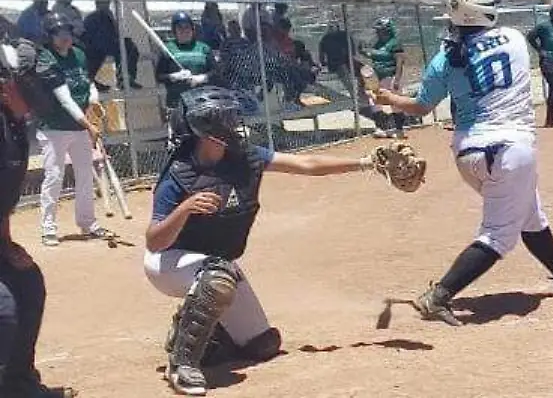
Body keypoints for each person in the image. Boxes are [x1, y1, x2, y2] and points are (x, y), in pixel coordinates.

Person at [370, 0, 553, 327]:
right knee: (498, 235)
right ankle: (438, 296)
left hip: (468, 153)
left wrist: (389, 100)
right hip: (509, 149)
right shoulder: (514, 39)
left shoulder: (444, 57)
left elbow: (420, 107)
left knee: (529, 212)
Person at [144, 85, 384, 396]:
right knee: (217, 279)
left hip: (216, 266)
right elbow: (154, 242)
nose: (233, 126)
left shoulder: (244, 156)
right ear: (207, 129)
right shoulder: (179, 173)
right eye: (225, 120)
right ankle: (183, 365)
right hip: (169, 263)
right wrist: (184, 210)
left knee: (262, 344)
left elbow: (305, 165)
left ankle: (195, 331)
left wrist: (366, 163)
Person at [0, 41, 77, 397]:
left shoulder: (13, 126)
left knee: (27, 284)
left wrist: (5, 243)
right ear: (4, 86)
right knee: (5, 309)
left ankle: (17, 383)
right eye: (27, 83)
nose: (36, 93)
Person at [32, 13, 109, 247]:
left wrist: (94, 102)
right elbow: (64, 99)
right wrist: (89, 126)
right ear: (50, 36)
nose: (65, 37)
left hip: (79, 127)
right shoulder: (46, 59)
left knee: (85, 174)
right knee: (54, 176)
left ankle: (87, 221)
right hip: (54, 128)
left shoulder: (79, 55)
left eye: (67, 31)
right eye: (58, 33)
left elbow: (88, 83)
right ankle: (48, 226)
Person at [156, 12, 218, 135]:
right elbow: (159, 75)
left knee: (202, 138)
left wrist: (202, 78)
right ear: (174, 30)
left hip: (202, 103)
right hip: (176, 103)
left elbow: (216, 72)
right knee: (180, 139)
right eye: (180, 28)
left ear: (192, 29)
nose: (184, 31)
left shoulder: (203, 48)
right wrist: (173, 76)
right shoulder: (169, 48)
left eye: (187, 27)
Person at [81, 0, 142, 91]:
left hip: (108, 44)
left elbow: (115, 33)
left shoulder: (109, 15)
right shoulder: (92, 18)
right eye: (103, 3)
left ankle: (126, 78)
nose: (105, 5)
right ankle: (91, 82)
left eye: (106, 3)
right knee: (94, 56)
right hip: (96, 45)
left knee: (130, 47)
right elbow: (88, 35)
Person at [364, 18, 406, 138]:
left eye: (380, 30)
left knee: (395, 103)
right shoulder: (378, 44)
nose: (378, 33)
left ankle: (399, 130)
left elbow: (399, 61)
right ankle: (380, 128)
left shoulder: (395, 43)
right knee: (374, 101)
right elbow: (373, 55)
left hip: (391, 76)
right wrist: (362, 51)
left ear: (387, 30)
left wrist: (397, 79)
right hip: (378, 77)